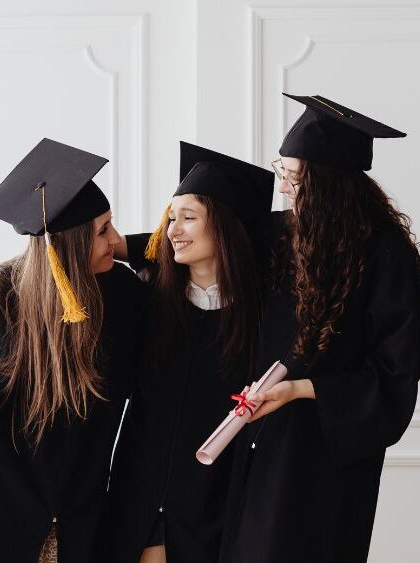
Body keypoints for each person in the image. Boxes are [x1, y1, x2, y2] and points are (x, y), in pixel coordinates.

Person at [0, 138, 146, 563]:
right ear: (68, 245)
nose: (115, 239)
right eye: (102, 231)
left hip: (76, 513)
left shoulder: (124, 295)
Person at [218, 94, 420, 563]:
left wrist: (300, 390)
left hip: (326, 452)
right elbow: (208, 243)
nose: (284, 189)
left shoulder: (383, 255)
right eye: (283, 173)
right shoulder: (278, 236)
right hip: (259, 439)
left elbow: (396, 371)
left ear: (329, 184)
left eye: (295, 178)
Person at [103, 142, 273, 563]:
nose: (173, 229)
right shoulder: (146, 297)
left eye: (189, 217)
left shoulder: (265, 314)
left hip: (216, 501)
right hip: (136, 493)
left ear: (225, 226)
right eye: (171, 217)